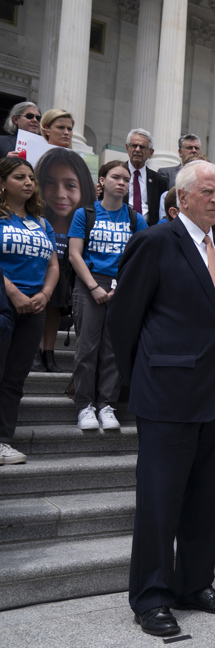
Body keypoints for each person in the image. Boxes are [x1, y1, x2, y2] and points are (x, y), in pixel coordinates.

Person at [107, 161, 215, 637]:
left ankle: (194, 584)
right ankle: (151, 598)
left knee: (208, 501)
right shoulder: (154, 242)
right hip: (167, 396)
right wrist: (144, 379)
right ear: (182, 197)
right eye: (207, 191)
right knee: (159, 503)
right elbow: (123, 322)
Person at [68, 160, 148, 431]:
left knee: (113, 351)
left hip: (121, 286)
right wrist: (93, 286)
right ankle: (85, 405)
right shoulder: (85, 214)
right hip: (89, 284)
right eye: (116, 177)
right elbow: (74, 254)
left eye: (126, 179)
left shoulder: (136, 218)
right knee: (87, 349)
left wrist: (120, 288)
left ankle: (107, 405)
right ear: (101, 181)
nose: (122, 183)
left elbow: (140, 259)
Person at [0, 157, 58, 466]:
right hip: (4, 302)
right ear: (2, 183)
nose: (28, 182)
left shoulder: (43, 223)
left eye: (31, 178)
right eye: (20, 177)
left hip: (34, 307)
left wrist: (45, 294)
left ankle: (3, 440)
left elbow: (53, 263)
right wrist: (12, 292)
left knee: (15, 377)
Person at [34, 148, 97, 372]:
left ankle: (48, 353)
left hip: (67, 267)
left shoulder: (84, 218)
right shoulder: (35, 218)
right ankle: (34, 351)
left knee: (53, 309)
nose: (60, 194)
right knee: (38, 308)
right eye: (50, 183)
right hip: (40, 266)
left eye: (70, 185)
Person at [125, 128, 168, 225]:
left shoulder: (159, 181)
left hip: (148, 231)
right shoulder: (116, 174)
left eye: (142, 147)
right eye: (134, 146)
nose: (137, 150)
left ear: (151, 153)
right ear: (127, 148)